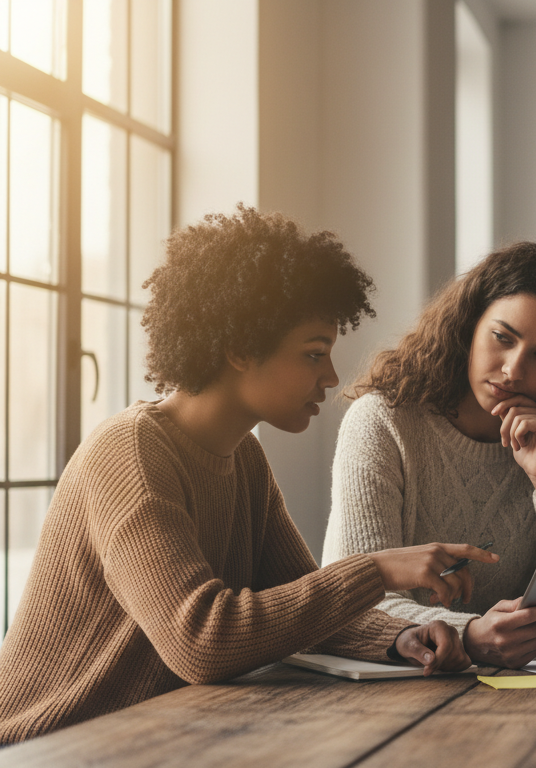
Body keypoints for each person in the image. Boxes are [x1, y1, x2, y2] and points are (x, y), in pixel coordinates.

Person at [0, 207, 492, 744]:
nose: (330, 377)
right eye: (312, 354)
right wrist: (376, 570)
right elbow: (202, 640)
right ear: (238, 349)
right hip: (44, 743)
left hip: (148, 739)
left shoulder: (244, 460)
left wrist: (408, 637)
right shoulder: (132, 455)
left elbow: (309, 610)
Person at [323, 242, 536, 669]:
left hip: (526, 697)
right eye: (502, 338)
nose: (514, 369)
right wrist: (469, 634)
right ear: (468, 324)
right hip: (400, 689)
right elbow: (352, 602)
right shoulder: (383, 422)